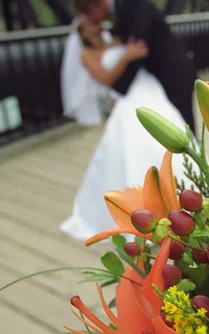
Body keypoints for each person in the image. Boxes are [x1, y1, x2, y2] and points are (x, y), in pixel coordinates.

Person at [60, 16, 193, 241]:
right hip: (129, 98)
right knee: (133, 144)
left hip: (149, 87)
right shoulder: (87, 55)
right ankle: (141, 208)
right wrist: (127, 56)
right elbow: (106, 79)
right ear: (82, 34)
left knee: (170, 129)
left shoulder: (114, 39)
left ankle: (184, 196)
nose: (97, 24)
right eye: (89, 24)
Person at [70, 0, 196, 132]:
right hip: (157, 82)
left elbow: (139, 49)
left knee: (184, 130)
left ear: (92, 6)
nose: (96, 21)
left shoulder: (129, 2)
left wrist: (120, 91)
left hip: (172, 76)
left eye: (90, 16)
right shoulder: (122, 4)